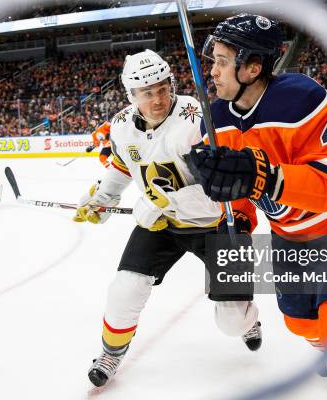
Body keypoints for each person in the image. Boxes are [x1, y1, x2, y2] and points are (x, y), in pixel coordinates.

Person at [187, 14, 327, 399]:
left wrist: (262, 176)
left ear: (252, 67)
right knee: (300, 321)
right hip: (289, 234)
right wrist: (236, 221)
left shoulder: (302, 99)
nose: (211, 72)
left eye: (220, 61)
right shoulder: (215, 120)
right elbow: (239, 191)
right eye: (211, 59)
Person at [73, 49, 262, 388]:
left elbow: (225, 186)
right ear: (131, 95)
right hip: (163, 226)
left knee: (231, 324)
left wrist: (168, 201)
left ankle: (246, 319)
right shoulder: (120, 127)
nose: (158, 98)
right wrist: (100, 199)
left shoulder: (198, 119)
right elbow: (121, 167)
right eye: (147, 93)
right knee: (124, 290)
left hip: (217, 223)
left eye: (163, 88)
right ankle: (111, 352)